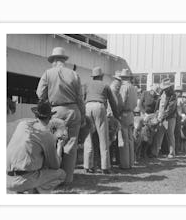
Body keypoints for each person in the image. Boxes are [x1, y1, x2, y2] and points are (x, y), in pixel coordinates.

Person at [36, 47, 85, 189]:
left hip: (55, 111)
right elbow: (80, 98)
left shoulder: (48, 73)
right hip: (73, 110)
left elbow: (40, 94)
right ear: (64, 61)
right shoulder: (74, 74)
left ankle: (52, 176)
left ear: (53, 61)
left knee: (52, 143)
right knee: (71, 144)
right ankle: (67, 178)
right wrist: (82, 114)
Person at [7, 101, 66, 194]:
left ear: (35, 115)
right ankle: (34, 192)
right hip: (22, 180)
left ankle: (24, 190)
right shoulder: (47, 136)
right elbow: (55, 166)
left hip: (5, 179)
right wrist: (59, 146)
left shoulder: (22, 125)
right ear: (50, 117)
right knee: (61, 174)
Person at [83, 67, 119, 174]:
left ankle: (87, 166)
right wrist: (116, 116)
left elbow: (82, 99)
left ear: (93, 76)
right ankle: (105, 167)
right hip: (99, 106)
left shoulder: (86, 84)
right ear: (101, 76)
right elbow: (112, 102)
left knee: (88, 138)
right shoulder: (105, 85)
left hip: (87, 106)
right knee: (103, 138)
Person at [118, 69, 138, 169]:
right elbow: (135, 103)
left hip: (124, 114)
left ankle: (125, 164)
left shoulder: (124, 87)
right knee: (130, 139)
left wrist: (117, 112)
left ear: (122, 78)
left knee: (124, 139)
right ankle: (131, 162)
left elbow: (121, 102)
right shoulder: (134, 88)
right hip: (131, 113)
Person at [156, 79, 177, 158]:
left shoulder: (173, 95)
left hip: (170, 118)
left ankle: (171, 153)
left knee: (170, 134)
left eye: (166, 88)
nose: (164, 89)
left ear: (169, 87)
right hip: (160, 116)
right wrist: (157, 114)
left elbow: (170, 108)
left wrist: (162, 117)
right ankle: (155, 152)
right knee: (159, 134)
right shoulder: (162, 93)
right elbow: (159, 105)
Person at [108, 70, 123, 165]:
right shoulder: (116, 90)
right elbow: (117, 104)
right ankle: (113, 159)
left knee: (112, 138)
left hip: (112, 115)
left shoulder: (114, 89)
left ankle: (112, 159)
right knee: (113, 138)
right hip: (113, 115)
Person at [174, 86, 186, 154]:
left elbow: (185, 111)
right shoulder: (178, 100)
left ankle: (177, 150)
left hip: (178, 119)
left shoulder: (181, 102)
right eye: (185, 98)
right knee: (175, 135)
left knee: (177, 135)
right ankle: (175, 150)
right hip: (175, 118)